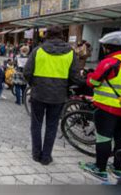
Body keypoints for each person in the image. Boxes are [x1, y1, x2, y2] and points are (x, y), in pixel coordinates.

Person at [79, 31, 121, 181]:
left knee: (103, 138)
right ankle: (118, 169)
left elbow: (93, 82)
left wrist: (90, 76)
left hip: (108, 108)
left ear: (108, 47)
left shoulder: (110, 62)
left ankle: (100, 169)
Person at [24, 25, 82, 166]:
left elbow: (27, 72)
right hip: (59, 95)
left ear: (47, 35)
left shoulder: (38, 50)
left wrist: (34, 84)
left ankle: (36, 154)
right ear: (62, 35)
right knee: (52, 126)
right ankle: (46, 157)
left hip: (39, 93)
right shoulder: (70, 52)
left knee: (36, 125)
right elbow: (75, 77)